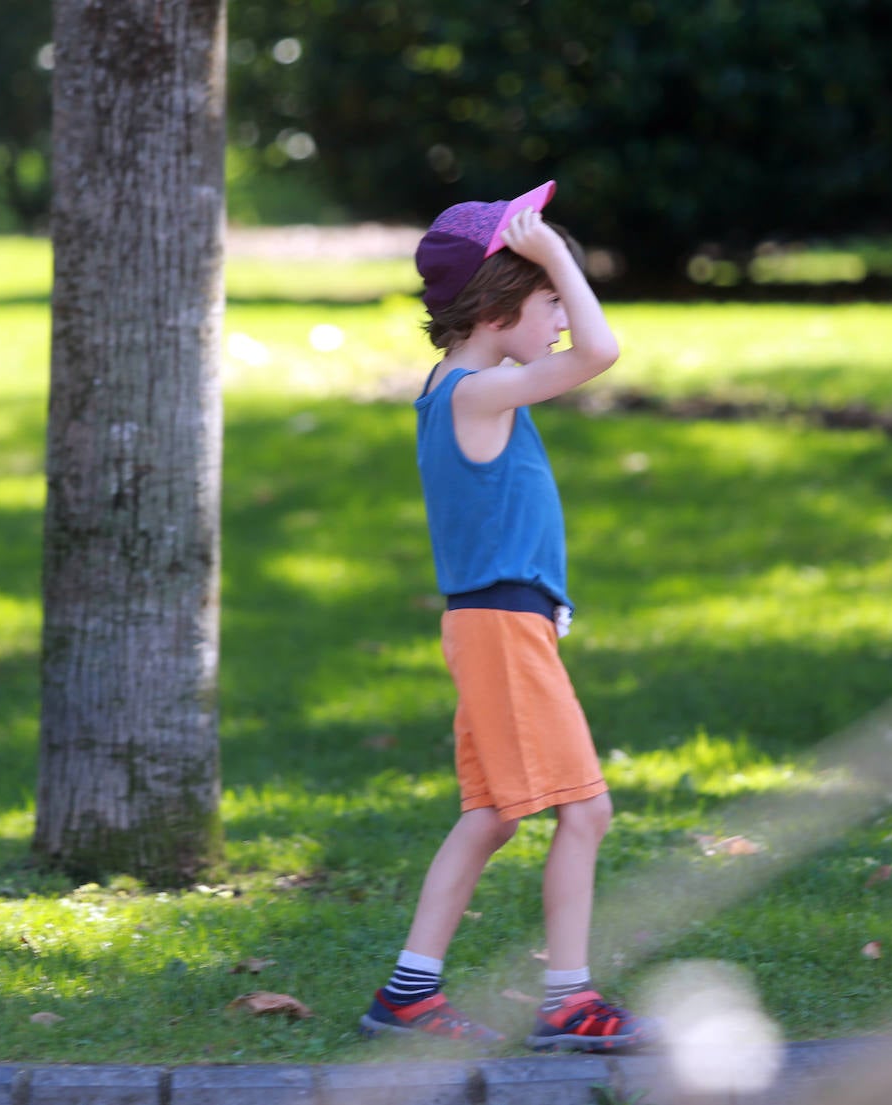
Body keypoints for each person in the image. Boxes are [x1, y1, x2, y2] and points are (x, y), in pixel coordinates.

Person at [359, 181, 656, 1053]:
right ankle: (570, 999)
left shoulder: (471, 386)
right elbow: (600, 352)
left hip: (498, 621)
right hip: (498, 627)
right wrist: (559, 250)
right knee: (587, 809)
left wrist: (540, 602)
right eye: (548, 297)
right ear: (496, 305)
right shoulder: (474, 394)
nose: (563, 315)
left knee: (494, 813)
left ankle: (408, 991)